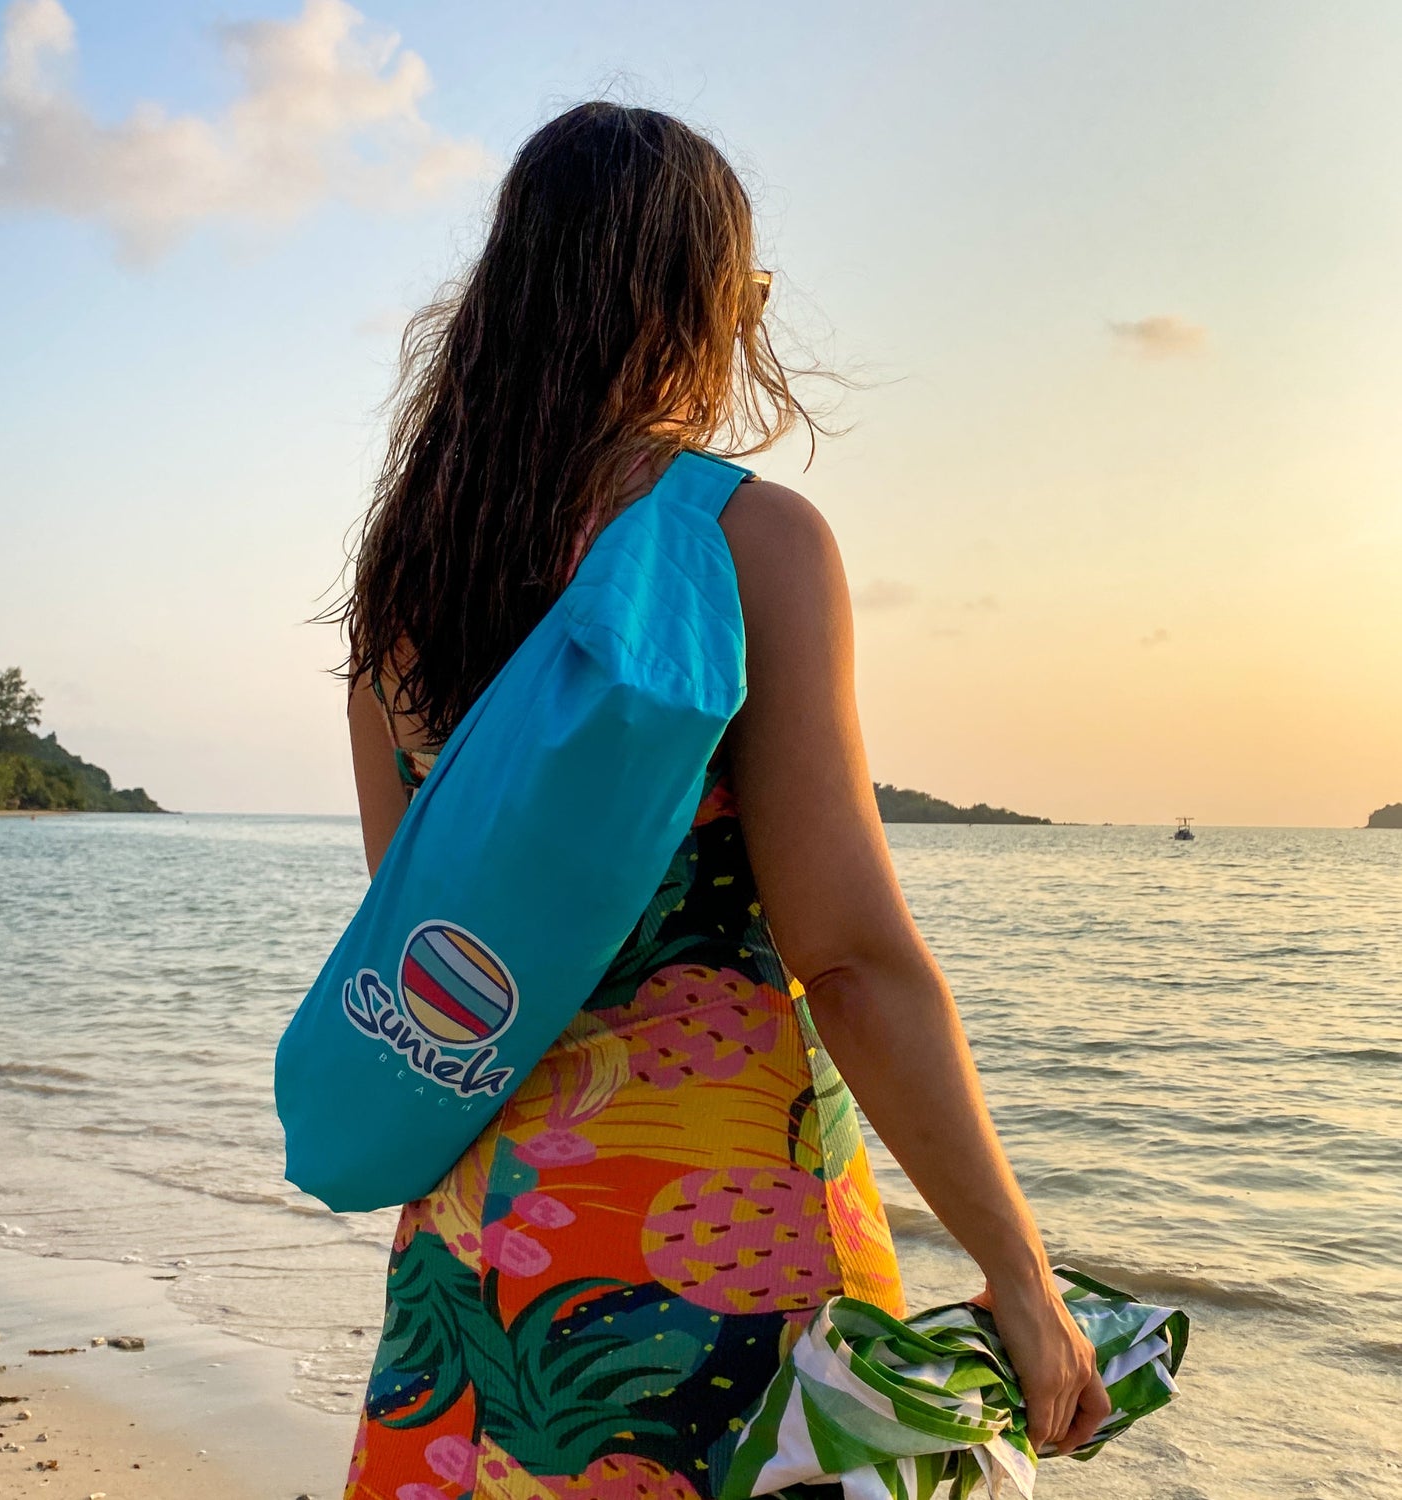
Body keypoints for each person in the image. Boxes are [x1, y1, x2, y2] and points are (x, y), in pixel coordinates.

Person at [337, 101, 1108, 1500]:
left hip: (478, 1252)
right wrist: (1020, 1271)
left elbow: (425, 945)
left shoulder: (406, 583)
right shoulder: (743, 544)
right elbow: (852, 959)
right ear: (699, 301)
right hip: (721, 1249)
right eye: (748, 291)